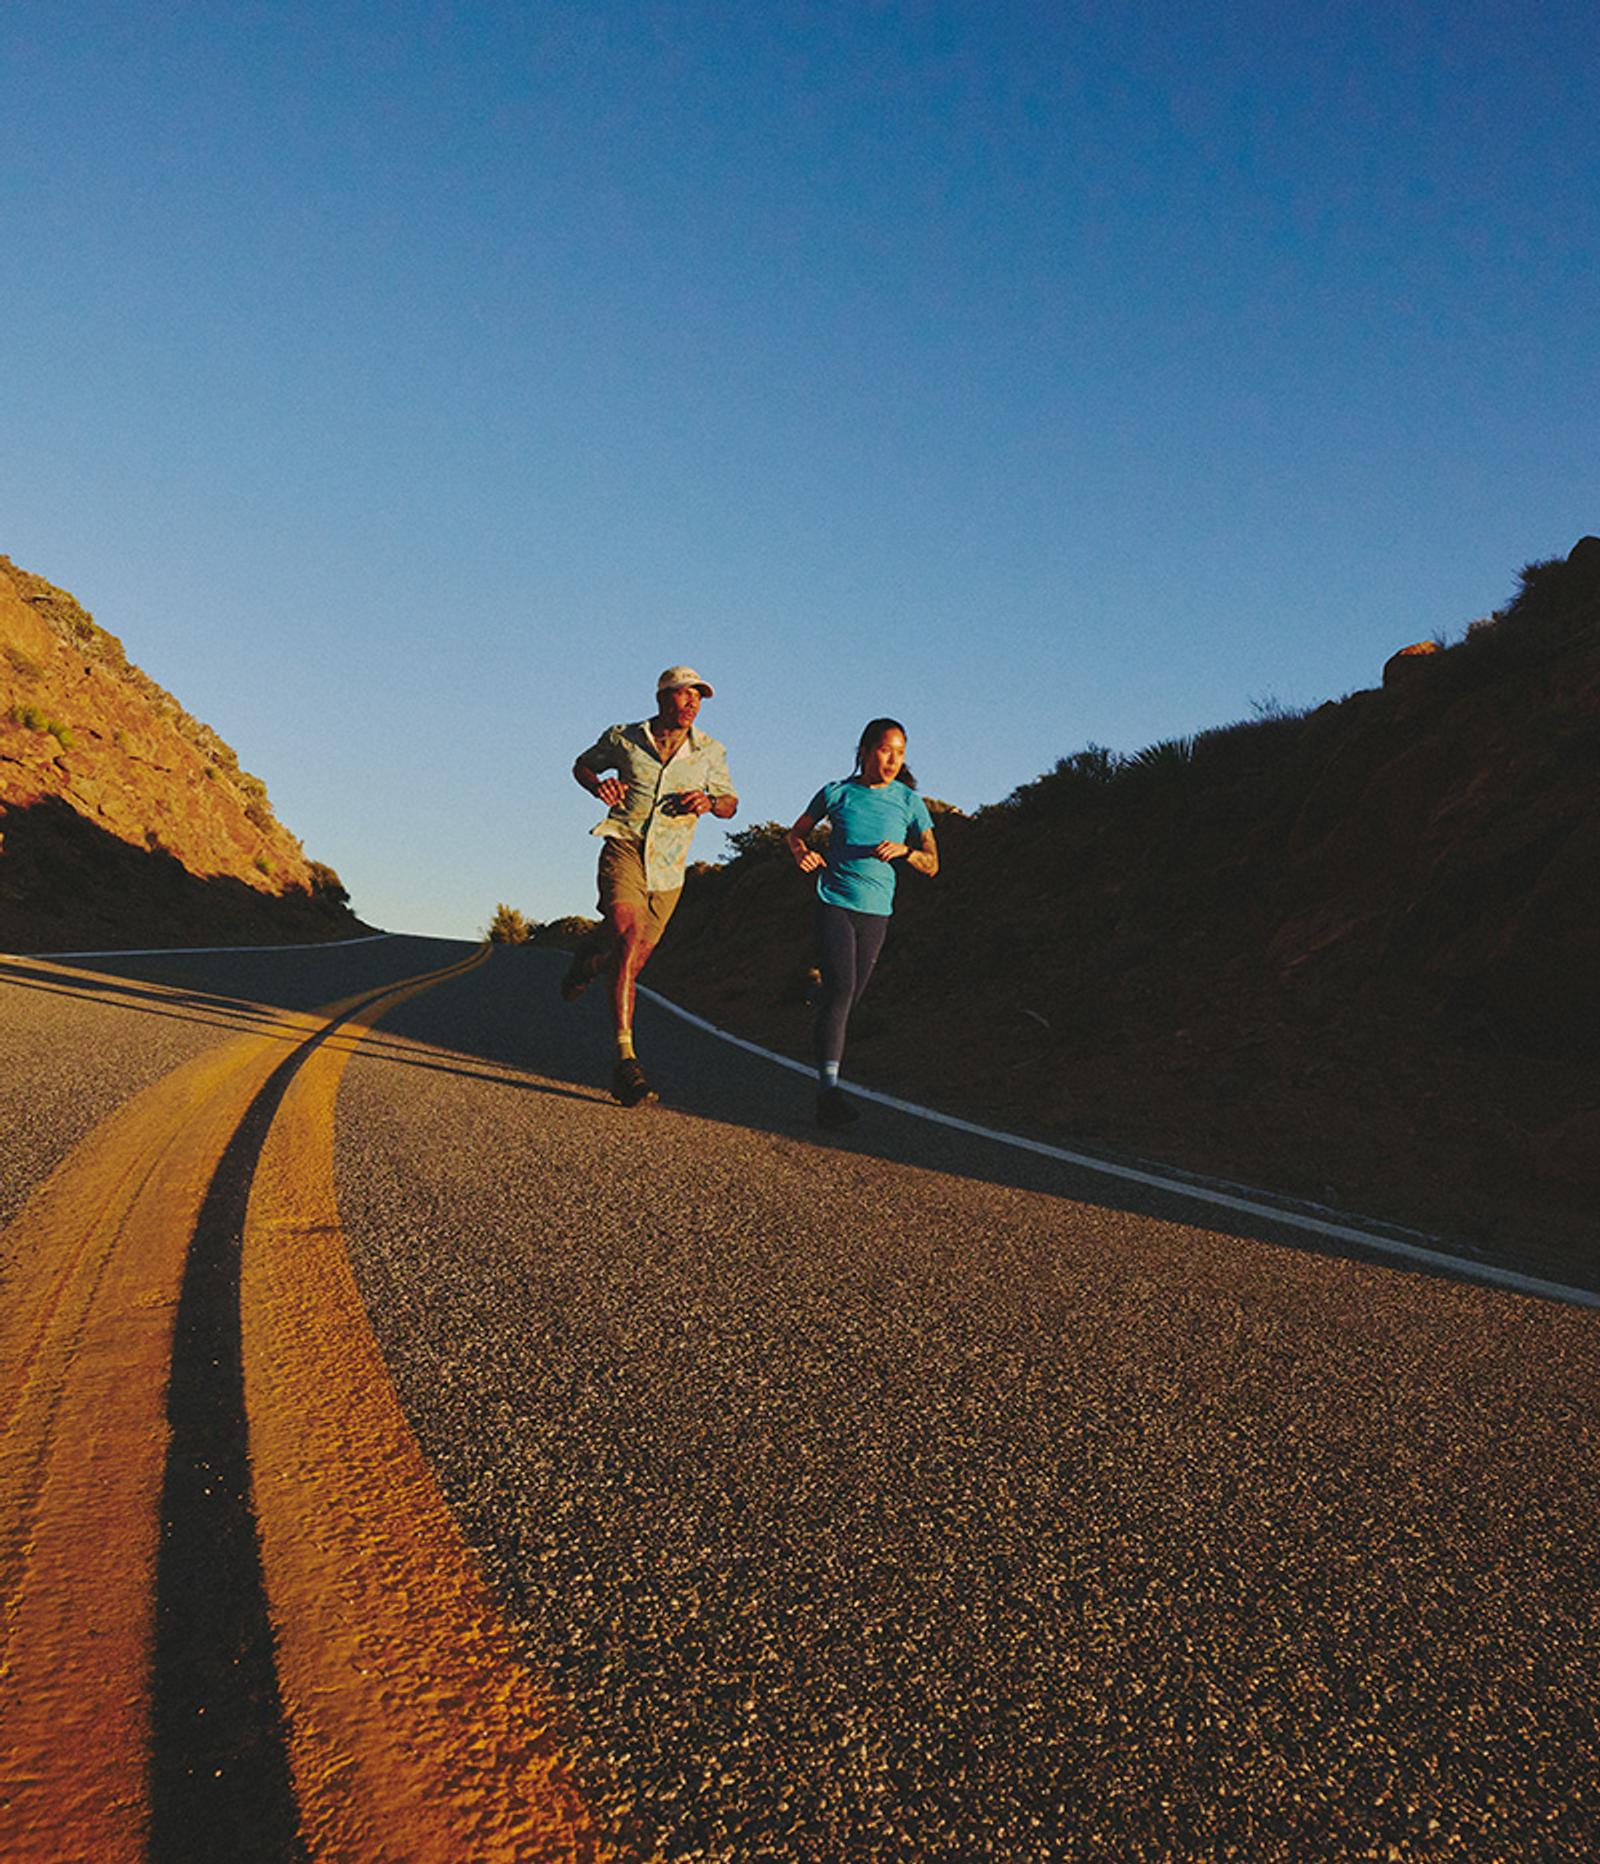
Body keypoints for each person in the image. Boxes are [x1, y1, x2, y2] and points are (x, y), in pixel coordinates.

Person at [564, 667, 738, 1106]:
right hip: (624, 846)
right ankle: (626, 1061)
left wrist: (710, 802)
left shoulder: (709, 751)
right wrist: (598, 784)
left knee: (632, 959)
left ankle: (590, 960)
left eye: (698, 698)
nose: (693, 704)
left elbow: (731, 804)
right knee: (628, 935)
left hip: (669, 868)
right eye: (685, 696)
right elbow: (582, 765)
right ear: (663, 698)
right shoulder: (625, 738)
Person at [785, 718, 938, 1129]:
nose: (893, 759)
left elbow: (932, 863)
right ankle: (829, 1092)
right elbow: (795, 833)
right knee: (843, 990)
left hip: (878, 910)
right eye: (886, 749)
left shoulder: (908, 801)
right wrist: (802, 852)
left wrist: (905, 851)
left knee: (848, 998)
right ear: (866, 750)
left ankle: (818, 996)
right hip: (833, 900)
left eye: (901, 752)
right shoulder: (837, 792)